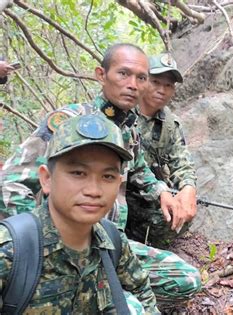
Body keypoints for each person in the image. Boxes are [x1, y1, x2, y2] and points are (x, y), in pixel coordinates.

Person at [0, 43, 198, 305]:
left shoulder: (129, 129)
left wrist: (161, 191)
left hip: (109, 243)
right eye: (123, 74)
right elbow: (10, 184)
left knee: (186, 279)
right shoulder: (71, 120)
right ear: (101, 75)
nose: (133, 84)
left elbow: (138, 168)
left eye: (141, 78)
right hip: (59, 244)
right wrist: (38, 243)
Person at [0, 114, 159, 314]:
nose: (93, 190)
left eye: (107, 176)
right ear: (47, 179)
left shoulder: (111, 239)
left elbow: (142, 291)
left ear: (118, 184)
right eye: (78, 173)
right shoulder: (11, 252)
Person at [126, 53, 202, 304]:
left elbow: (181, 160)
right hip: (120, 195)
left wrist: (188, 187)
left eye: (168, 85)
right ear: (144, 81)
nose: (162, 90)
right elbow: (130, 165)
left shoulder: (169, 124)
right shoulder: (124, 111)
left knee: (179, 212)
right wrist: (162, 190)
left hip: (150, 198)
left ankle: (147, 252)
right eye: (156, 82)